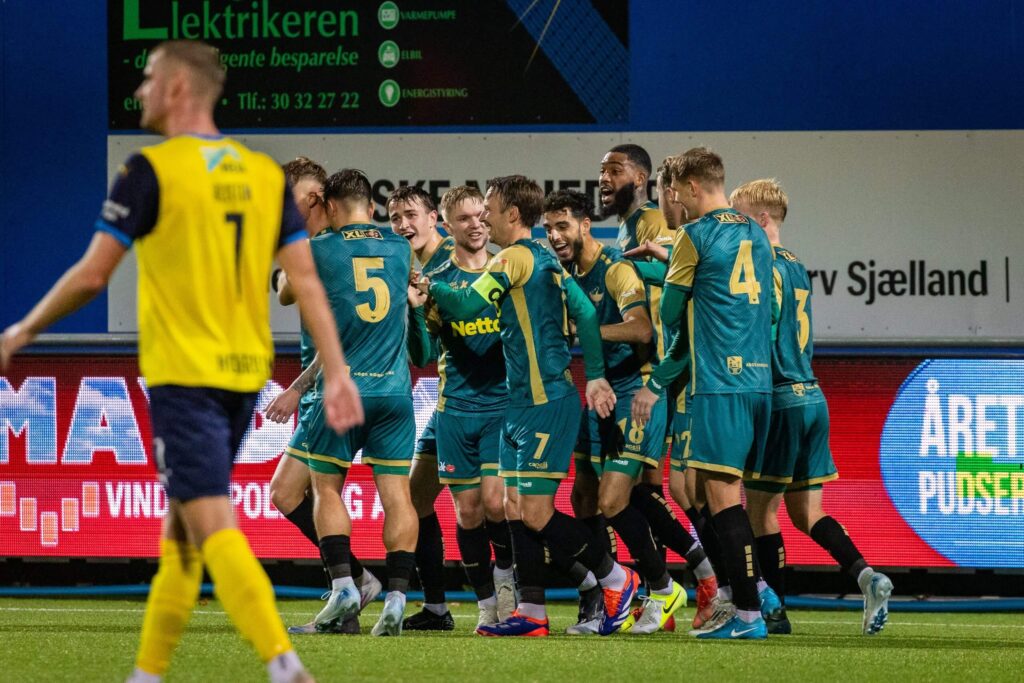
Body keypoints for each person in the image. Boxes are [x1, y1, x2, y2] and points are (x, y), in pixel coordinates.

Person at [0, 40, 362, 682]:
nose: (139, 90)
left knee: (211, 522)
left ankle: (286, 666)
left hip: (185, 375)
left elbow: (92, 275)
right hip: (243, 375)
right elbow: (306, 280)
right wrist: (334, 373)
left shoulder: (150, 170)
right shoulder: (262, 174)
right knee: (182, 534)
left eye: (147, 79)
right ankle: (147, 672)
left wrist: (20, 331)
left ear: (176, 89)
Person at [421, 175, 637, 637]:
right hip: (519, 404)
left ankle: (618, 578)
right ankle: (533, 612)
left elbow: (464, 305)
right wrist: (596, 375)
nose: (485, 217)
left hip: (544, 402)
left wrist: (429, 286)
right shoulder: (545, 257)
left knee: (536, 513)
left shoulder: (514, 257)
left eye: (490, 209)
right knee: (515, 507)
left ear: (512, 214)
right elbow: (584, 313)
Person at [730, 179, 893, 636]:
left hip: (780, 398)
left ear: (762, 220)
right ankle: (867, 576)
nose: (735, 228)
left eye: (741, 219)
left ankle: (774, 613)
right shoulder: (797, 265)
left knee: (760, 512)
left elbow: (761, 328)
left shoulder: (761, 265)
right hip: (812, 397)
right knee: (806, 513)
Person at [632, 147, 773, 640]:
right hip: (758, 382)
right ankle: (748, 600)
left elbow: (670, 312)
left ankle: (749, 613)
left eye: (675, 192)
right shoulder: (755, 231)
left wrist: (671, 272)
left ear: (692, 187)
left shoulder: (694, 235)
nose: (675, 201)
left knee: (720, 499)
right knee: (725, 495)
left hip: (718, 382)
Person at [544, 189, 696, 636]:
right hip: (599, 394)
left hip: (635, 393)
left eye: (563, 226)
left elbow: (642, 330)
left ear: (585, 225)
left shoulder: (615, 268)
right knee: (583, 498)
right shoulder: (567, 273)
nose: (555, 236)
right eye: (548, 228)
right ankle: (606, 598)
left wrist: (586, 331)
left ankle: (664, 587)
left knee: (615, 500)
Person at [288, 169, 430, 638]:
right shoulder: (400, 248)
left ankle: (345, 587)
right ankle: (397, 598)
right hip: (394, 394)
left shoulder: (319, 249)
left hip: (342, 392)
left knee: (326, 490)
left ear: (329, 205)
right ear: (370, 205)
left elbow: (287, 288)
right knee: (398, 496)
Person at [263, 157, 382, 635]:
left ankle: (349, 590)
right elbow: (285, 292)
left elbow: (341, 336)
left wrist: (298, 387)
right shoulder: (316, 248)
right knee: (285, 492)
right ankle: (359, 581)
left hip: (334, 386)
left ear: (314, 198)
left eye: (289, 200)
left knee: (323, 491)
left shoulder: (329, 250)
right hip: (336, 386)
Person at [418, 185, 515, 629]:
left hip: (501, 405)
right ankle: (485, 604)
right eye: (464, 219)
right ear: (447, 225)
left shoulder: (507, 268)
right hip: (455, 409)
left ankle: (507, 582)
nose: (476, 225)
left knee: (496, 503)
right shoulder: (438, 280)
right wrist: (414, 312)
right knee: (468, 511)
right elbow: (423, 350)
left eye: (480, 216)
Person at [385, 185, 461, 630]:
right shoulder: (409, 269)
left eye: (411, 215)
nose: (402, 225)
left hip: (488, 401)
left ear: (434, 218)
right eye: (395, 217)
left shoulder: (459, 258)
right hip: (450, 397)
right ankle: (436, 608)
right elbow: (423, 354)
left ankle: (523, 599)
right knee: (415, 499)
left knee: (498, 507)